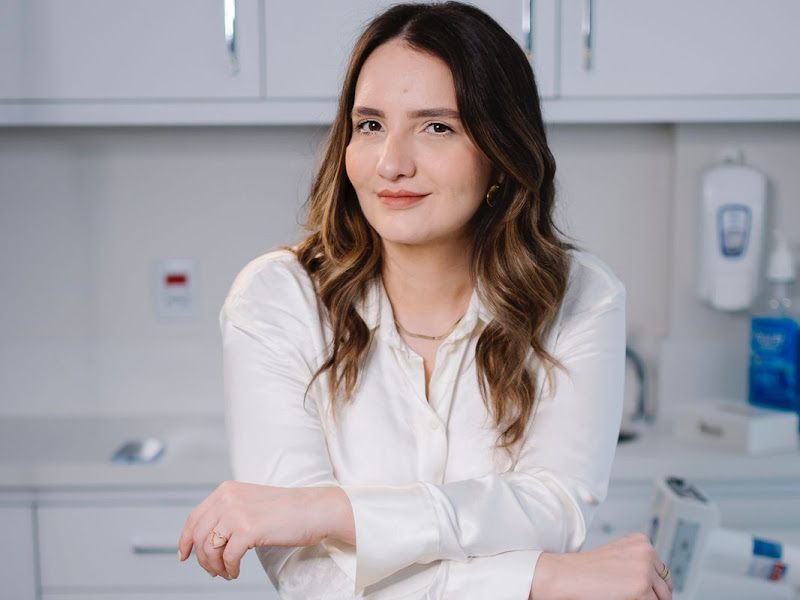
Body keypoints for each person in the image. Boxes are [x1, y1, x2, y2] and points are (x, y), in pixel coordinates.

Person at [178, 3, 674, 599]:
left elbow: (553, 509)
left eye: (437, 127)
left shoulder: (581, 296)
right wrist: (541, 579)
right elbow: (312, 579)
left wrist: (332, 512)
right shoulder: (277, 299)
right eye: (370, 125)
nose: (391, 163)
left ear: (500, 153)